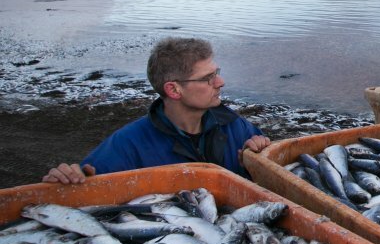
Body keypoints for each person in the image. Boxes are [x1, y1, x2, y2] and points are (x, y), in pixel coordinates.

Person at [42, 37, 270, 184]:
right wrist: (69, 179)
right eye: (208, 78)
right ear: (174, 89)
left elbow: (269, 178)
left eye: (216, 72)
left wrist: (260, 158)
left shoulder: (234, 126)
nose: (220, 82)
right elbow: (86, 185)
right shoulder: (129, 145)